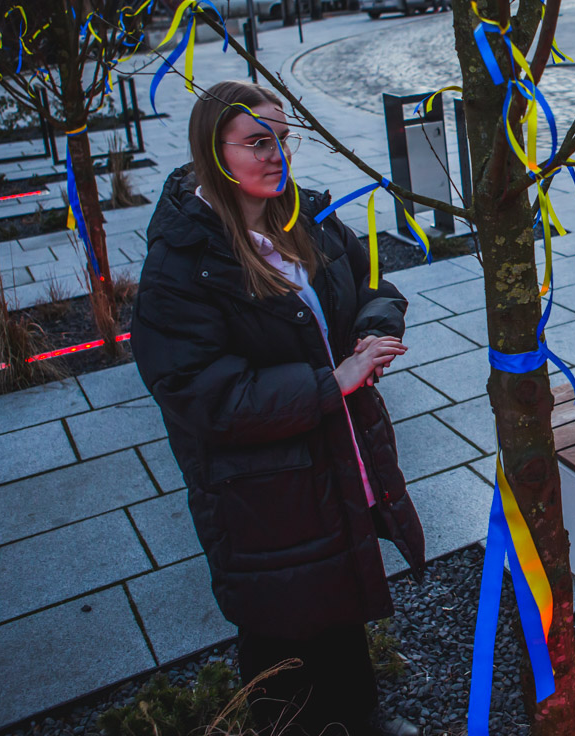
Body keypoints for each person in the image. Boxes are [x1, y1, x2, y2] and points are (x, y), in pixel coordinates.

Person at [131, 80, 423, 736]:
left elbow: (373, 279)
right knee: (283, 621)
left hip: (330, 457)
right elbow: (205, 394)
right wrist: (333, 382)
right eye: (258, 142)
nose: (277, 155)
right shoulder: (183, 266)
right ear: (215, 151)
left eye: (284, 140)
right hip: (258, 490)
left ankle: (362, 717)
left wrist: (374, 326)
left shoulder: (304, 218)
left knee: (339, 596)